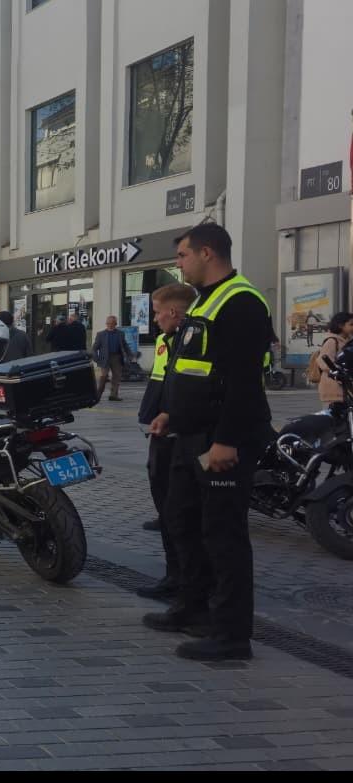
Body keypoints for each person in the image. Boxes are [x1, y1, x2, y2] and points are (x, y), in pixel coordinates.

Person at [144, 223, 271, 661]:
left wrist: (228, 441)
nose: (178, 264)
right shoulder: (207, 300)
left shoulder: (241, 302)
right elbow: (195, 369)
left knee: (223, 534)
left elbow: (241, 382)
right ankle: (192, 607)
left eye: (182, 255)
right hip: (190, 432)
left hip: (222, 438)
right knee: (181, 518)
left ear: (208, 252)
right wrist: (171, 414)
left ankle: (232, 634)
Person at [135, 283, 199, 597]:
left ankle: (185, 582)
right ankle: (175, 576)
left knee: (179, 514)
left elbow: (190, 390)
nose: (155, 319)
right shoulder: (166, 339)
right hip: (161, 432)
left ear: (173, 312)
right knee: (168, 511)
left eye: (158, 313)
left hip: (180, 434)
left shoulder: (192, 340)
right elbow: (162, 383)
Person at [311, 312, 353, 406]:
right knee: (333, 418)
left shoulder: (348, 341)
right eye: (351, 324)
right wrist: (337, 371)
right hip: (333, 388)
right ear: (340, 325)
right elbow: (323, 361)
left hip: (345, 388)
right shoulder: (332, 341)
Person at [92, 315, 135, 401]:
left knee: (117, 376)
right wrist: (96, 359)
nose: (110, 325)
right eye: (108, 323)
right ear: (106, 324)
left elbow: (125, 345)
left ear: (115, 324)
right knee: (104, 376)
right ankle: (98, 394)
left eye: (112, 323)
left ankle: (113, 395)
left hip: (117, 357)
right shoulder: (101, 334)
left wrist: (130, 355)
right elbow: (94, 348)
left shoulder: (120, 333)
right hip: (105, 358)